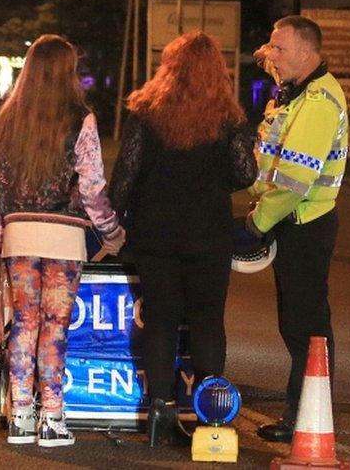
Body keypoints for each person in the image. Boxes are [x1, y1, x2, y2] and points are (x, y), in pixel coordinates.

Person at [110, 31, 257, 446]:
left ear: (168, 68)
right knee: (209, 322)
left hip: (155, 233)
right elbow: (245, 174)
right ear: (218, 72)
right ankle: (210, 415)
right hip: (208, 234)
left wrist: (108, 221)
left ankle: (159, 411)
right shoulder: (229, 118)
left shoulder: (145, 111)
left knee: (161, 323)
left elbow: (124, 178)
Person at [0, 34, 125, 448]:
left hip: (19, 235)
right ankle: (52, 416)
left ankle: (21, 415)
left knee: (24, 323)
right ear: (69, 71)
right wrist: (112, 232)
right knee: (54, 327)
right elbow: (92, 188)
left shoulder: (7, 120)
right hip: (65, 237)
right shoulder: (80, 119)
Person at [248, 15, 348, 443]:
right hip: (292, 221)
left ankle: (305, 416)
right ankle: (305, 412)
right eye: (270, 46)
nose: (272, 54)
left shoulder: (319, 101)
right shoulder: (292, 95)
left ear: (308, 53)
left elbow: (293, 180)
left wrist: (256, 222)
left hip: (304, 223)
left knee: (305, 325)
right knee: (297, 323)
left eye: (280, 48)